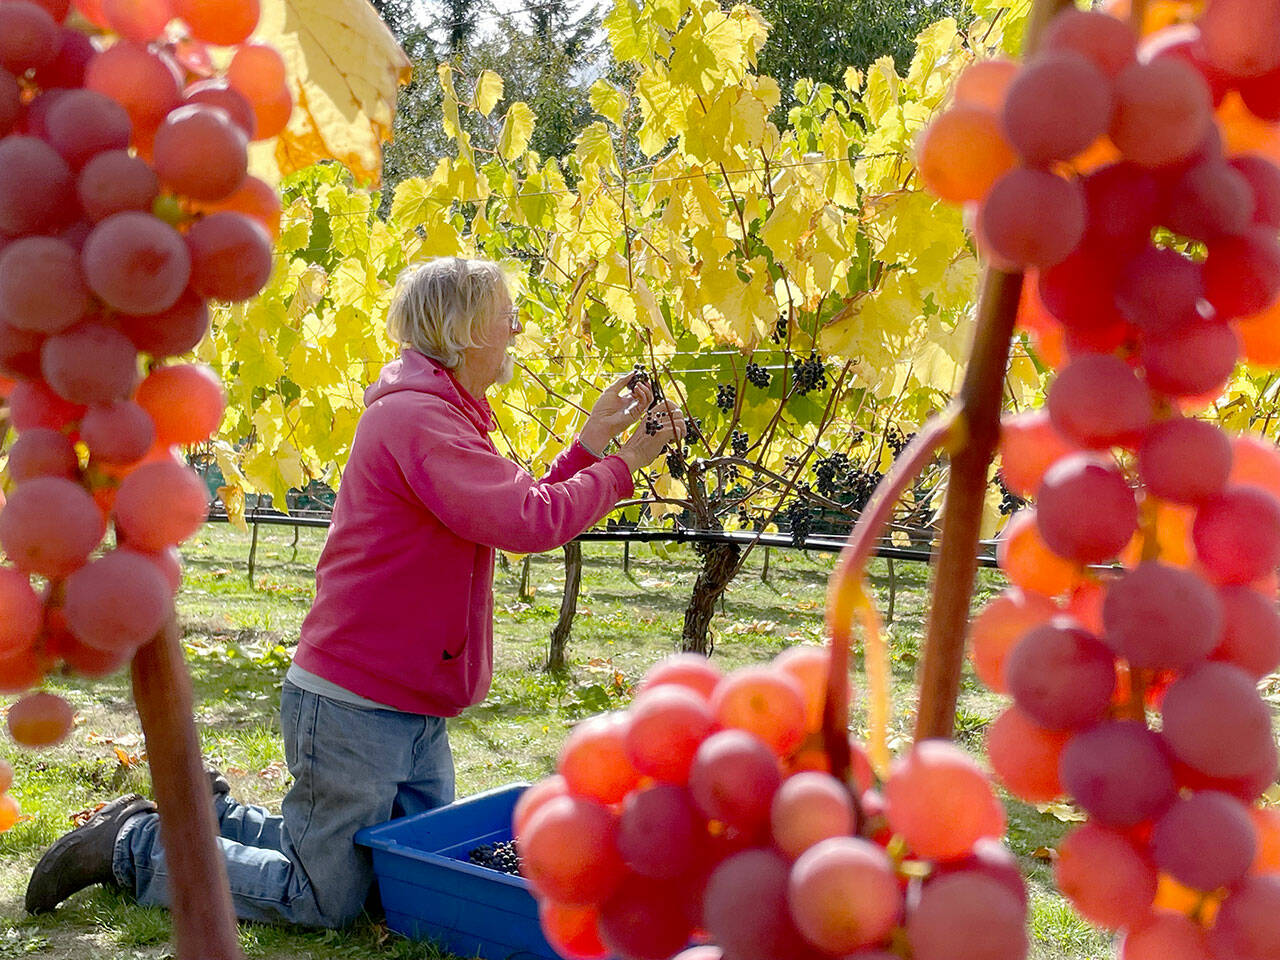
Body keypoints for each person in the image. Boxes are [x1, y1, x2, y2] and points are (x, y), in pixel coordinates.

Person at [25, 256, 686, 927]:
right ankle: (131, 846)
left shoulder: (443, 416)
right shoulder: (421, 422)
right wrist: (627, 463)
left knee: (394, 876)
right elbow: (528, 521)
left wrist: (594, 442)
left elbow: (512, 502)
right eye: (505, 318)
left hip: (410, 701)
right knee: (325, 897)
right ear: (461, 332)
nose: (516, 330)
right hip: (359, 702)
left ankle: (204, 815)